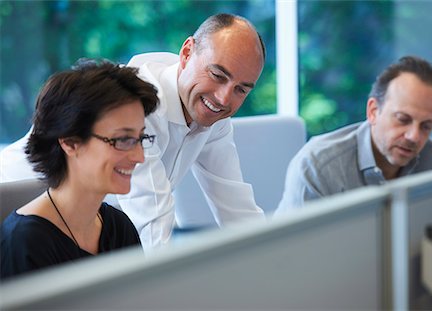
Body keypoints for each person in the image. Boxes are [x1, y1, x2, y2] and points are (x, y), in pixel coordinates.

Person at [0, 13, 266, 252]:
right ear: (186, 53)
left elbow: (236, 208)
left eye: (241, 89)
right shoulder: (138, 106)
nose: (224, 98)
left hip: (90, 227)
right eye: (218, 75)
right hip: (21, 206)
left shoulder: (210, 110)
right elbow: (153, 222)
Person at [1, 59, 159, 279]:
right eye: (123, 139)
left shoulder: (119, 226)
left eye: (140, 138)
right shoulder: (23, 242)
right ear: (70, 142)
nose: (139, 157)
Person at [276, 55, 432, 213]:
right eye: (403, 119)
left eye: (426, 126)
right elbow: (295, 246)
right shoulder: (318, 167)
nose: (414, 136)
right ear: (373, 111)